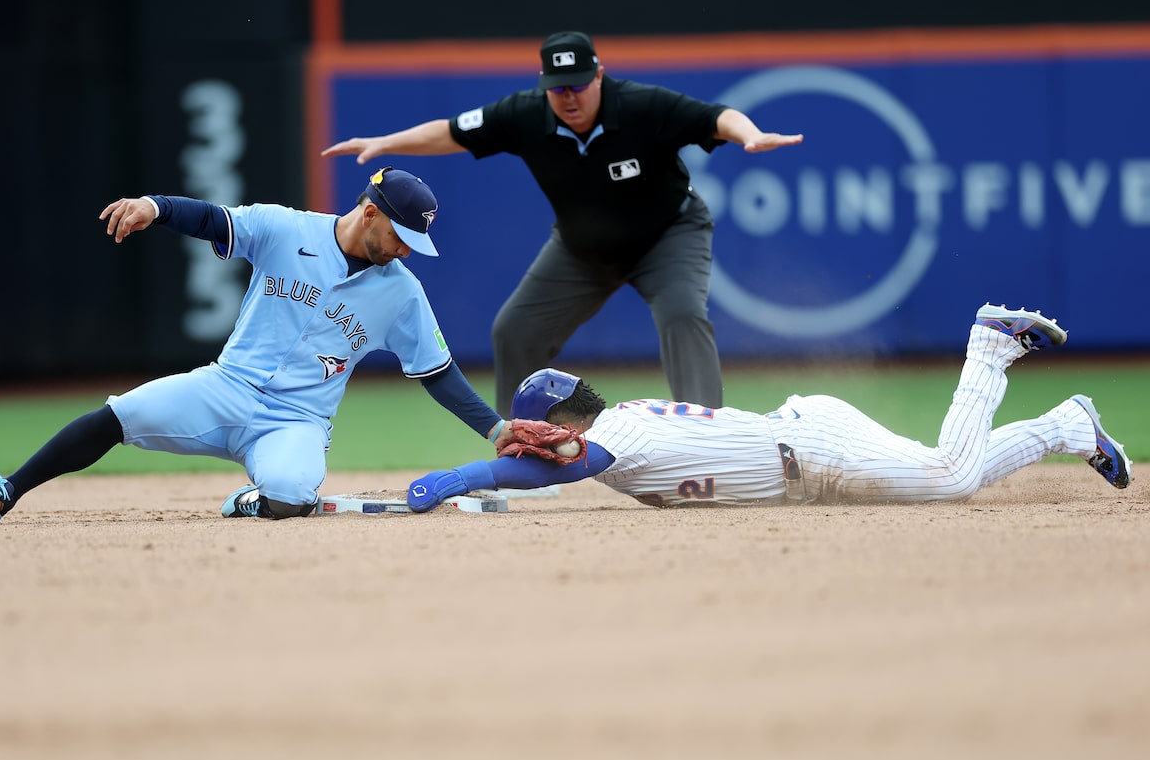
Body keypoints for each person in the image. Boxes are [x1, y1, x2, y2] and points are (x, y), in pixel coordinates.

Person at [0, 167, 514, 524]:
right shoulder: (285, 228)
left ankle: (253, 499)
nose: (407, 251)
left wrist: (497, 429)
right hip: (224, 388)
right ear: (370, 211)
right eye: (401, 236)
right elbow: (212, 219)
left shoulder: (402, 293)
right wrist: (155, 205)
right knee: (119, 414)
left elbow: (436, 372)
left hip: (297, 419)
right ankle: (6, 489)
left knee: (292, 495)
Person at [321, 31, 803, 416]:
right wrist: (385, 142)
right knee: (514, 330)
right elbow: (450, 133)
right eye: (557, 87)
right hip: (582, 249)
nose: (568, 96)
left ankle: (707, 440)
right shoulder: (526, 114)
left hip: (667, 236)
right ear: (544, 83)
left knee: (682, 315)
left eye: (577, 84)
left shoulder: (640, 105)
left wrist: (752, 135)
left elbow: (716, 117)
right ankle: (525, 444)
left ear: (599, 75)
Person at [405, 304, 1133, 511]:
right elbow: (564, 464)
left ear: (563, 419)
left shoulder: (614, 434)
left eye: (542, 427)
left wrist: (462, 478)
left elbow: (550, 474)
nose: (535, 439)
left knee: (949, 478)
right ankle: (1067, 425)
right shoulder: (616, 427)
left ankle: (988, 346)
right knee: (950, 471)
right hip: (806, 441)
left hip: (812, 449)